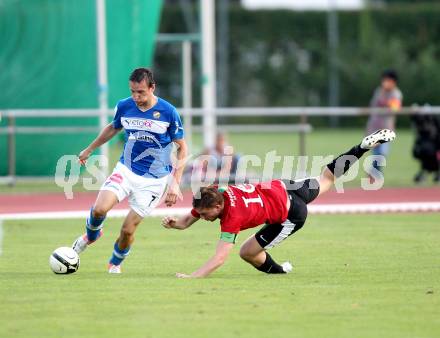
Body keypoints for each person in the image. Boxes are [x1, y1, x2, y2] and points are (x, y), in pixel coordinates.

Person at [162, 129, 395, 278]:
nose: (202, 218)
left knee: (247, 252)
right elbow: (190, 218)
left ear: (218, 208)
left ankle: (280, 271)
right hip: (286, 187)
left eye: (205, 215)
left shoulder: (231, 217)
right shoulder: (217, 192)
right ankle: (362, 147)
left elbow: (219, 259)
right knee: (327, 177)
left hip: (291, 214)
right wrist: (176, 224)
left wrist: (193, 277)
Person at [72, 67, 187, 273]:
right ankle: (92, 235)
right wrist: (90, 149)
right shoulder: (124, 106)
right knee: (99, 209)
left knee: (127, 230)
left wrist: (175, 182)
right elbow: (113, 127)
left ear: (152, 88)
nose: (136, 96)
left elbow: (182, 147)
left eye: (141, 92)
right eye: (133, 91)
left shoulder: (168, 112)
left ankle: (115, 263)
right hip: (126, 169)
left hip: (154, 180)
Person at [366, 70, 402, 177]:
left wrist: (386, 102)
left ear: (393, 82)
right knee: (376, 150)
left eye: (388, 80)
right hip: (374, 125)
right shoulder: (379, 91)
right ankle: (375, 172)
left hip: (387, 127)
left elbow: (395, 108)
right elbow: (373, 105)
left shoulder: (396, 93)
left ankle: (374, 171)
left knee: (383, 151)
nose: (385, 82)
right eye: (384, 80)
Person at [411, 112, 440, 183]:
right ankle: (425, 173)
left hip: (434, 149)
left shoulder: (436, 131)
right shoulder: (422, 135)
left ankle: (432, 173)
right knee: (425, 151)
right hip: (425, 149)